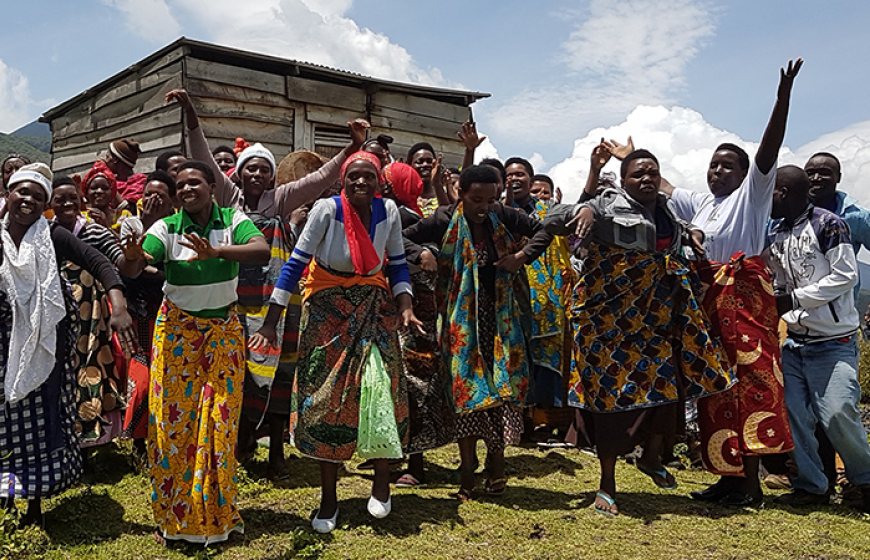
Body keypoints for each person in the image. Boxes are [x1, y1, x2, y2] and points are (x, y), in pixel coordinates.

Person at [166, 88, 369, 477]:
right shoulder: (229, 198)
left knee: (279, 370)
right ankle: (241, 444)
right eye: (250, 168)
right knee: (237, 370)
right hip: (232, 297)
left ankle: (276, 449)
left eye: (263, 168)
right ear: (237, 173)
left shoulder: (282, 199)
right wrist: (191, 111)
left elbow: (323, 176)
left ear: (272, 174)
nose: (256, 174)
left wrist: (351, 147)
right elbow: (202, 154)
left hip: (279, 300)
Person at [545, 149, 734, 517]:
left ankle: (650, 457)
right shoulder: (606, 201)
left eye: (652, 173)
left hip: (652, 319)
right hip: (606, 323)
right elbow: (551, 221)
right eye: (637, 174)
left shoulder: (668, 210)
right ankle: (607, 485)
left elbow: (674, 243)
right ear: (624, 179)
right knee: (609, 402)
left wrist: (690, 233)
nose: (646, 179)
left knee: (666, 388)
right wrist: (579, 209)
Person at [652, 59, 802, 507]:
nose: (717, 172)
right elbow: (663, 187)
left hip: (744, 299)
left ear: (743, 173)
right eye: (713, 166)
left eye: (727, 166)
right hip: (707, 302)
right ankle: (726, 475)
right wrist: (625, 158)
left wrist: (782, 98)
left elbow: (768, 151)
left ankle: (753, 483)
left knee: (750, 385)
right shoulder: (700, 205)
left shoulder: (751, 198)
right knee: (714, 386)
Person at [250, 151, 421, 533]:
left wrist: (405, 306)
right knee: (326, 400)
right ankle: (329, 498)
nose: (361, 183)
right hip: (327, 310)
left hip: (374, 307)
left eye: (369, 177)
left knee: (379, 389)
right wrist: (271, 321)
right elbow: (295, 263)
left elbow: (396, 263)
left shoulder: (389, 211)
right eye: (354, 177)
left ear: (379, 182)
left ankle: (380, 480)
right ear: (343, 181)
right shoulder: (326, 210)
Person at [125, 160, 270, 544]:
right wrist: (134, 255)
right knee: (173, 427)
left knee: (219, 424)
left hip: (223, 333)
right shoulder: (167, 227)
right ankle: (174, 519)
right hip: (177, 334)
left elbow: (261, 250)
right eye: (181, 186)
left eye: (195, 183)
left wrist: (218, 253)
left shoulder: (232, 218)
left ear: (212, 186)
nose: (188, 190)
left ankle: (217, 516)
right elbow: (137, 264)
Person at [403, 165, 553, 501]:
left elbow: (546, 229)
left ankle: (497, 466)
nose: (484, 206)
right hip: (461, 322)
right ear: (461, 194)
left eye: (490, 198)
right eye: (476, 199)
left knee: (499, 393)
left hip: (502, 321)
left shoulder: (504, 215)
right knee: (467, 394)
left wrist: (521, 256)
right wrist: (423, 253)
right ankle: (468, 474)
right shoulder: (443, 219)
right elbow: (401, 237)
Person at [0, 164, 134, 527]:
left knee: (42, 417)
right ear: (8, 194)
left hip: (46, 342)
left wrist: (118, 306)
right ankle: (7, 497)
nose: (27, 200)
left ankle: (34, 503)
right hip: (3, 342)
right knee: (5, 419)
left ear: (45, 203)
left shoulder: (53, 235)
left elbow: (100, 262)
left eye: (36, 195)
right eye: (20, 192)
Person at [765, 165, 870, 513]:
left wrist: (794, 301)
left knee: (838, 412)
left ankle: (864, 481)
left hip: (834, 342)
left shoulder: (830, 224)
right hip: (795, 342)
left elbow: (845, 275)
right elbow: (778, 278)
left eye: (771, 194)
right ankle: (812, 486)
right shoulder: (776, 231)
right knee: (794, 413)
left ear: (783, 193)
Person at [50, 176, 145, 447]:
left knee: (93, 369)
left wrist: (131, 257)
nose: (67, 203)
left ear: (81, 201)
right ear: (50, 203)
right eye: (60, 199)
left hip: (94, 318)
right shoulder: (46, 234)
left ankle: (93, 440)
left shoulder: (96, 233)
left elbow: (120, 267)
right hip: (59, 318)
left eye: (72, 197)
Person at [383, 162, 455, 487]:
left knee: (416, 377)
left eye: (386, 182)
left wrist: (422, 250)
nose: (380, 187)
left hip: (415, 306)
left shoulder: (409, 217)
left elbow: (445, 229)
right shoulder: (391, 213)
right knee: (392, 379)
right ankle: (395, 451)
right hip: (389, 302)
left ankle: (417, 460)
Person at [119, 171, 178, 447]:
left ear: (172, 202)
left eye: (160, 196)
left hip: (169, 312)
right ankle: (139, 442)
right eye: (147, 195)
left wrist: (149, 268)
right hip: (139, 312)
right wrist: (146, 224)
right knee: (141, 380)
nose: (152, 200)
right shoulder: (130, 225)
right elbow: (129, 269)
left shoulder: (178, 228)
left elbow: (171, 272)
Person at [81, 160, 134, 232]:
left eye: (105, 188)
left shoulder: (124, 216)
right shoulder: (82, 220)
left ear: (112, 193)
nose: (99, 191)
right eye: (94, 188)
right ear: (86, 193)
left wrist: (107, 227)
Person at [103, 138, 148, 205]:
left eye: (107, 157)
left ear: (115, 159)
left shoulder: (140, 182)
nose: (105, 161)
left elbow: (128, 209)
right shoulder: (110, 180)